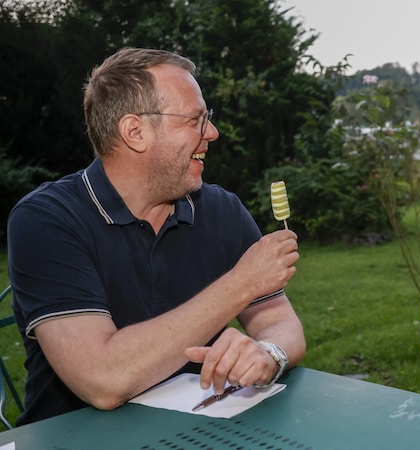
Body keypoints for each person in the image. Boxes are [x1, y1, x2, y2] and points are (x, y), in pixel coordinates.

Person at [7, 47, 305, 425]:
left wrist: (269, 352)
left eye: (207, 118)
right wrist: (240, 284)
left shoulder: (221, 209)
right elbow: (103, 381)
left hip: (202, 430)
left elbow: (279, 319)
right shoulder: (47, 220)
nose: (211, 132)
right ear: (135, 132)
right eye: (195, 120)